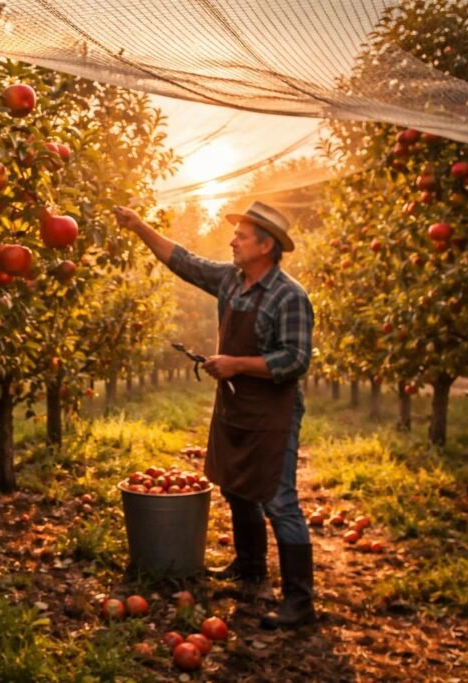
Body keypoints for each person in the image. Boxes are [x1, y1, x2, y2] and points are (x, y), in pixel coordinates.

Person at [113, 200, 315, 629]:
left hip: (273, 411)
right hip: (237, 403)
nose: (232, 241)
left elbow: (296, 360)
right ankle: (250, 567)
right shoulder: (229, 280)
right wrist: (139, 227)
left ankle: (300, 600)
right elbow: (183, 261)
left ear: (265, 246)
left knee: (279, 501)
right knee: (237, 487)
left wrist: (237, 364)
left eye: (241, 236)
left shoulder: (289, 296)